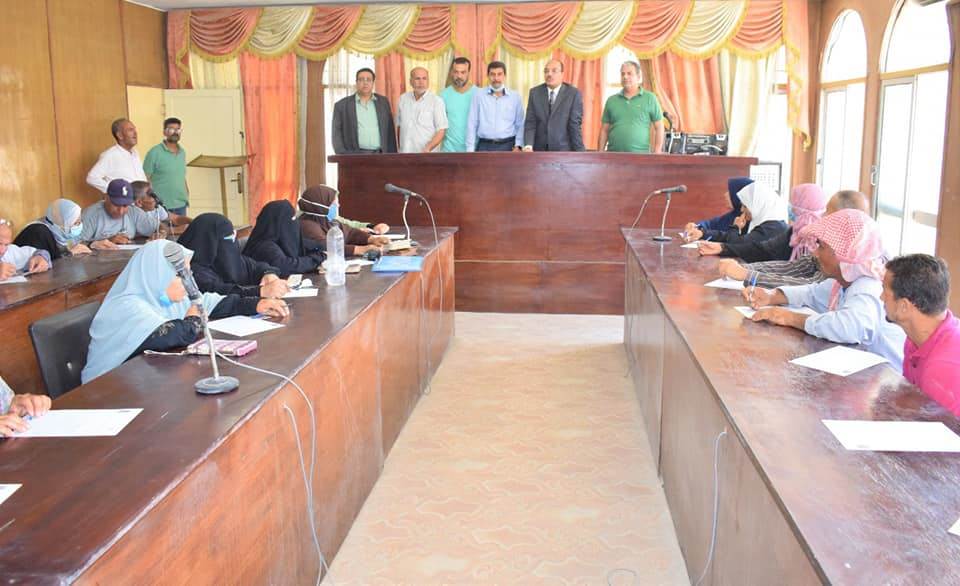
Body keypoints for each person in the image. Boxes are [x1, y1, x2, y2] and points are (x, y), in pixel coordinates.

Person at [81, 240, 289, 383]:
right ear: (158, 274)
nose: (188, 281)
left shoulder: (166, 296)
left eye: (188, 273)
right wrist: (194, 316)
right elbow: (174, 334)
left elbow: (213, 303)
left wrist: (256, 304)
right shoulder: (126, 305)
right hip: (106, 394)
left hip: (142, 384)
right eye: (180, 275)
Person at [745, 209, 906, 370]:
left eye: (821, 247)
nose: (815, 253)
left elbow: (849, 327)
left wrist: (790, 318)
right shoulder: (844, 281)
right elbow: (812, 293)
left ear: (843, 254)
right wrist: (772, 295)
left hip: (887, 378)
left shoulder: (868, 286)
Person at [718, 190, 871, 288]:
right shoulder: (823, 239)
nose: (823, 216)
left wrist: (748, 275)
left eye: (828, 212)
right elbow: (798, 266)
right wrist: (745, 269)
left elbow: (812, 286)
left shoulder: (854, 256)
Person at [881, 254, 960, 416]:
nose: (881, 297)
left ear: (904, 306)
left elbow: (941, 430)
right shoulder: (915, 340)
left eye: (885, 291)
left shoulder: (943, 368)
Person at [698, 184, 827, 262]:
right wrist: (721, 247)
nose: (790, 207)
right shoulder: (794, 232)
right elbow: (762, 248)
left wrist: (748, 273)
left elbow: (742, 244)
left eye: (794, 203)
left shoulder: (774, 228)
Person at [177, 213, 289, 298]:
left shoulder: (233, 259)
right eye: (227, 238)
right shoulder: (190, 270)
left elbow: (257, 267)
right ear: (208, 242)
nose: (231, 243)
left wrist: (268, 274)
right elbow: (219, 292)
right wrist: (260, 291)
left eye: (233, 236)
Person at [298, 186, 390, 257]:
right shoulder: (307, 225)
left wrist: (371, 239)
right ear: (322, 206)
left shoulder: (328, 220)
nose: (338, 205)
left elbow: (350, 233)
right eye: (334, 204)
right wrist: (361, 250)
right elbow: (326, 246)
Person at [243, 201, 326, 277]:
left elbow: (312, 245)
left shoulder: (283, 239)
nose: (294, 223)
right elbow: (284, 266)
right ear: (277, 222)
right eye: (291, 219)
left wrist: (322, 255)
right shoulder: (263, 245)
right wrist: (316, 260)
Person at [696, 182, 788, 251]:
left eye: (745, 206)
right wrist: (703, 233)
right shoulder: (761, 222)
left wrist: (735, 227)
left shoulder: (772, 228)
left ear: (757, 205)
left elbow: (736, 245)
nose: (741, 210)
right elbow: (728, 237)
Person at [598, 61, 664, 154]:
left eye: (629, 73)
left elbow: (659, 127)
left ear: (638, 77)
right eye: (623, 74)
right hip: (613, 156)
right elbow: (604, 130)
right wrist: (600, 153)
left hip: (641, 157)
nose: (625, 77)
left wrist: (657, 151)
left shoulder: (650, 98)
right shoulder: (611, 100)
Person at [523, 59, 584, 152]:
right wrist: (528, 145)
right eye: (546, 71)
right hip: (539, 151)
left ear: (562, 74)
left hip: (563, 151)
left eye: (554, 71)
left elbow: (574, 125)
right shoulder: (535, 93)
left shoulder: (573, 94)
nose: (549, 74)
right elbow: (530, 122)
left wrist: (580, 152)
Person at [79, 179, 160, 249]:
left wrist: (161, 233)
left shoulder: (134, 212)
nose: (120, 211)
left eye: (125, 206)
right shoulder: (91, 215)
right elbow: (74, 245)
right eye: (116, 204)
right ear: (106, 198)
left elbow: (159, 226)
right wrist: (95, 243)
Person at [332, 68, 397, 154]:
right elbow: (336, 133)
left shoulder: (383, 102)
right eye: (361, 79)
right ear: (356, 82)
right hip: (354, 155)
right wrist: (342, 154)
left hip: (381, 154)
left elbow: (390, 131)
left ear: (373, 83)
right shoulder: (342, 105)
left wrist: (392, 156)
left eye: (368, 80)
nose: (365, 83)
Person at [465, 61, 524, 152]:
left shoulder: (515, 97)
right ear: (488, 76)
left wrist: (518, 145)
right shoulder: (478, 95)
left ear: (505, 76)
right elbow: (472, 123)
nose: (496, 78)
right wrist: (470, 149)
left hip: (509, 146)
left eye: (499, 74)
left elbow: (520, 124)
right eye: (492, 74)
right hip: (484, 146)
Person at [13, 199, 92, 259]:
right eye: (75, 223)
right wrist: (70, 253)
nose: (79, 226)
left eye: (79, 222)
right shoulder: (38, 232)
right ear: (62, 222)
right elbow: (43, 263)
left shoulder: (59, 233)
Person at [142, 117, 190, 216]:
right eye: (171, 129)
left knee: (182, 227)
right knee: (162, 227)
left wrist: (186, 193)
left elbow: (181, 175)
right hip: (161, 206)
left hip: (181, 204)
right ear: (164, 132)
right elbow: (145, 177)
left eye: (178, 129)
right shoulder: (154, 152)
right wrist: (151, 200)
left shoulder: (182, 152)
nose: (175, 132)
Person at [682, 177, 754, 241]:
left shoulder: (749, 220)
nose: (725, 195)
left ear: (739, 196)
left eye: (730, 192)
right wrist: (696, 226)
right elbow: (710, 224)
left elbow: (728, 237)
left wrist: (703, 234)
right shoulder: (733, 214)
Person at [86, 118, 147, 193]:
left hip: (141, 198)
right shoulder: (110, 155)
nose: (135, 133)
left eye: (134, 129)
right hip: (124, 199)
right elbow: (92, 178)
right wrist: (115, 191)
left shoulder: (135, 153)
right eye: (130, 130)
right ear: (120, 135)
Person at [396, 67, 448, 153]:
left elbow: (441, 130)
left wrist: (428, 148)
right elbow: (399, 127)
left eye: (424, 78)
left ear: (428, 81)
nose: (421, 82)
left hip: (427, 155)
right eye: (417, 78)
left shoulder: (436, 101)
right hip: (405, 154)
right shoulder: (402, 99)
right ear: (410, 81)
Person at [440, 57, 478, 152]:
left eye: (463, 72)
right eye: (456, 72)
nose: (459, 76)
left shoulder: (479, 94)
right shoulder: (443, 95)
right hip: (449, 150)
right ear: (451, 73)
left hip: (473, 150)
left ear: (469, 73)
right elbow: (440, 125)